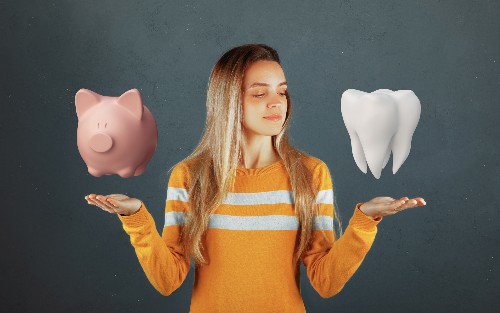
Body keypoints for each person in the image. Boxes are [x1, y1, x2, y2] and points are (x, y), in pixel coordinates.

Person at [85, 43, 426, 312]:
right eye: (260, 93)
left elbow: (325, 281)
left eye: (282, 91)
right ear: (229, 101)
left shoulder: (311, 174)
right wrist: (136, 219)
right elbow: (167, 278)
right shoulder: (190, 177)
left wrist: (364, 221)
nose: (277, 103)